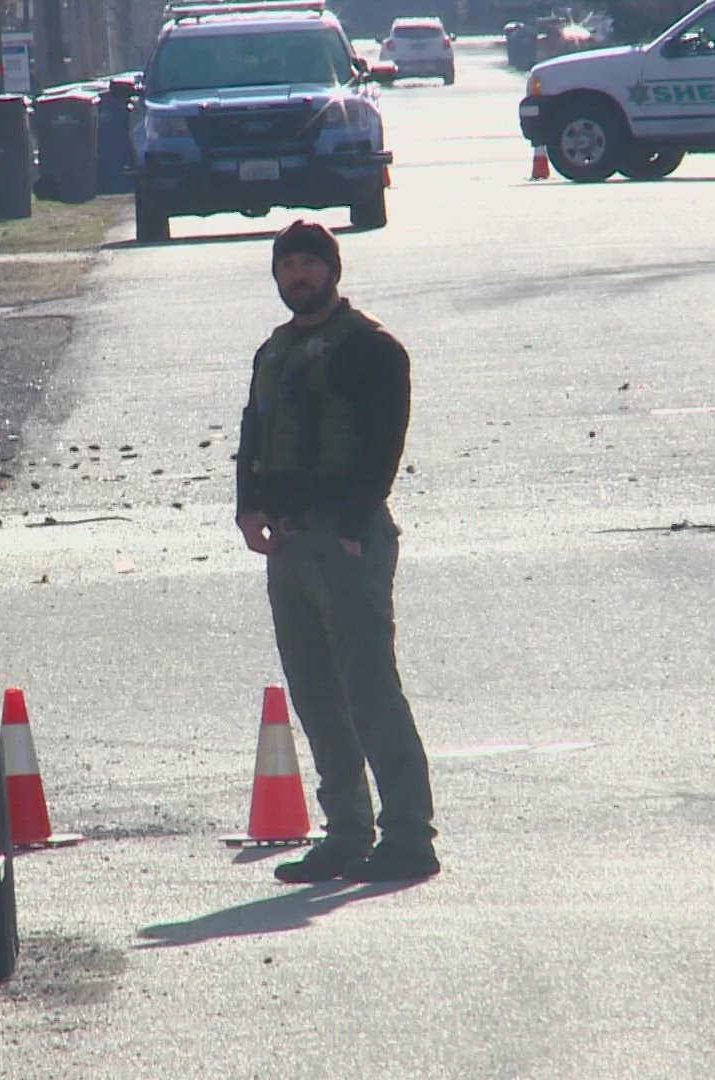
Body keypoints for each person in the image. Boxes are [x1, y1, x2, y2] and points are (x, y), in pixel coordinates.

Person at [235, 220, 438, 884]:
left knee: (370, 691)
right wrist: (249, 509)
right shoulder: (274, 351)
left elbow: (385, 442)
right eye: (288, 264)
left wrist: (353, 523)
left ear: (332, 272)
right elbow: (254, 430)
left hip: (346, 542)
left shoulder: (370, 349)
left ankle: (409, 836)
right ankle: (347, 832)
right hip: (290, 546)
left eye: (309, 264)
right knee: (317, 696)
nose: (298, 275)